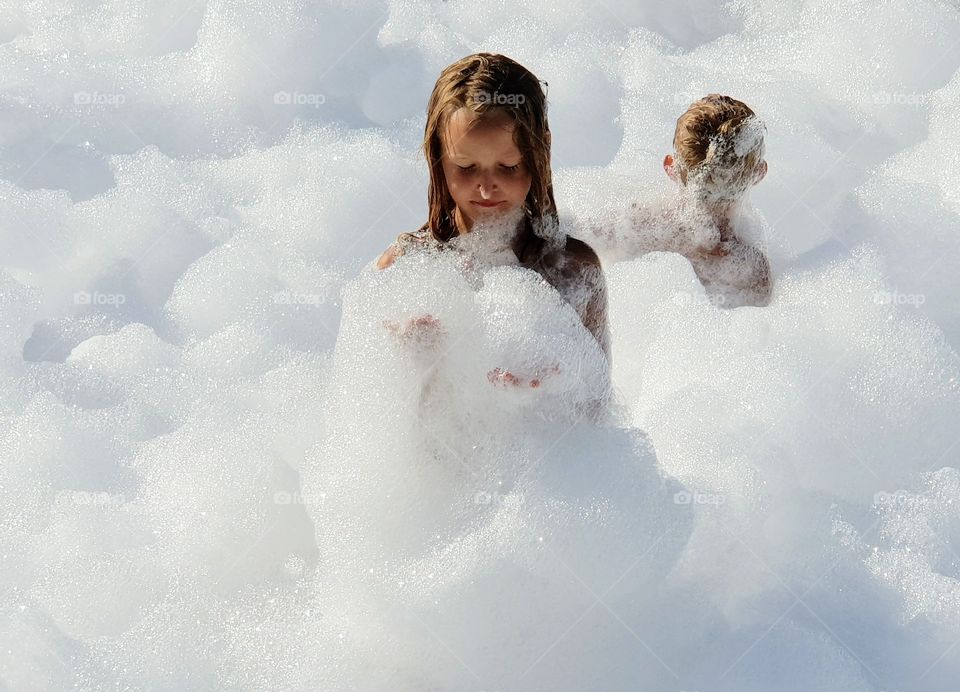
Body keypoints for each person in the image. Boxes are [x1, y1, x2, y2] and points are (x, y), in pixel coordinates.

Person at [376, 53, 611, 385]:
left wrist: (552, 398)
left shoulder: (574, 271)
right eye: (466, 167)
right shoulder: (406, 268)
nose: (486, 187)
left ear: (539, 155)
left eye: (509, 166)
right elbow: (376, 414)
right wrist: (419, 362)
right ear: (437, 157)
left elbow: (597, 406)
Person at [589, 94, 772, 308]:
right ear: (759, 173)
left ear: (671, 167)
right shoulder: (751, 270)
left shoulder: (636, 223)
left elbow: (569, 242)